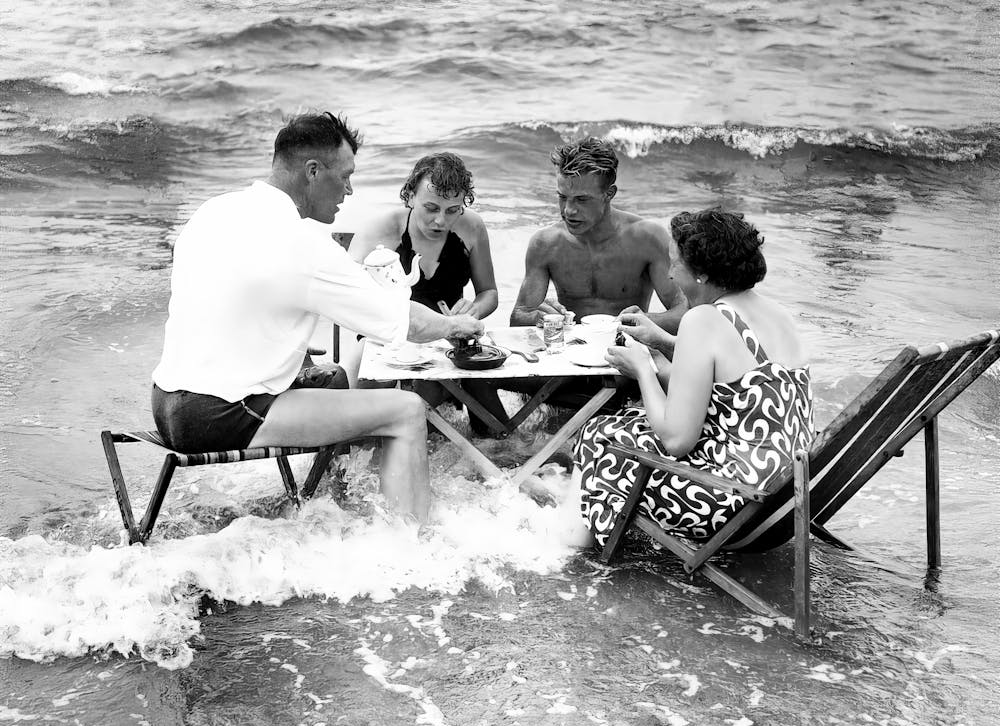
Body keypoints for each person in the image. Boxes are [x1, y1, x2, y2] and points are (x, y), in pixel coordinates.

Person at [150, 112, 483, 523]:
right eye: (344, 176)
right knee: (407, 410)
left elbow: (226, 303)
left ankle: (334, 496)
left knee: (343, 374)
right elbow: (403, 322)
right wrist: (455, 325)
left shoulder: (214, 211)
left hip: (166, 402)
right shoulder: (301, 243)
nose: (349, 189)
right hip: (222, 414)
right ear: (312, 171)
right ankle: (410, 544)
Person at [572, 208, 814, 546]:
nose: (670, 275)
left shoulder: (703, 319)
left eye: (675, 263)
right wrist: (661, 346)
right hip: (787, 503)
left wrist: (643, 370)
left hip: (733, 506)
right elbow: (734, 393)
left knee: (601, 434)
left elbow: (677, 439)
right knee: (632, 422)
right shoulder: (779, 315)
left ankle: (572, 539)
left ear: (700, 273)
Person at [347, 152, 505, 435]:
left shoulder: (472, 228)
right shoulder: (381, 229)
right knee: (366, 378)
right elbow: (348, 298)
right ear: (409, 197)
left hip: (448, 336)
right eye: (431, 208)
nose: (441, 221)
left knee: (481, 387)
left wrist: (472, 312)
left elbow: (489, 293)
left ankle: (493, 455)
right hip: (387, 335)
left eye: (452, 210)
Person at [509, 136, 686, 331]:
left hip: (628, 347)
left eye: (581, 199)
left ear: (609, 194)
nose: (568, 210)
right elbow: (518, 317)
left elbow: (684, 312)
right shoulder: (546, 244)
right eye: (562, 197)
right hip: (571, 350)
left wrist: (638, 322)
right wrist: (540, 317)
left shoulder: (648, 239)